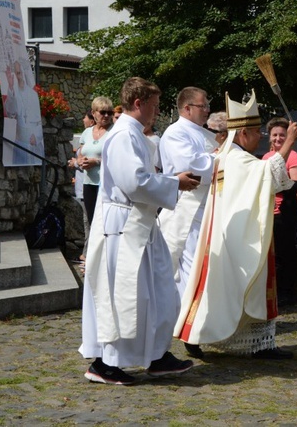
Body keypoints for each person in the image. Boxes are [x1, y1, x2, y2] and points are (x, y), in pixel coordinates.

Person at [79, 77, 199, 385]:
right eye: (155, 105)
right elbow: (134, 183)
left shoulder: (133, 134)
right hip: (123, 227)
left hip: (140, 224)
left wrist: (170, 179)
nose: (158, 111)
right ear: (138, 104)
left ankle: (155, 355)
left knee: (159, 291)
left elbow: (141, 177)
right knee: (126, 296)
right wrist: (175, 183)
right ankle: (105, 364)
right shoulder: (122, 136)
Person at [175, 92, 297, 359]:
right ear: (242, 133)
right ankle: (201, 336)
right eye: (255, 131)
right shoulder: (237, 158)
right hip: (236, 236)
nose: (260, 137)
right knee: (232, 287)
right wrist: (288, 143)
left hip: (230, 231)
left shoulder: (227, 154)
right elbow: (269, 175)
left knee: (220, 288)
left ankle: (255, 342)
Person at [158, 87, 216, 359]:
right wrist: (221, 158)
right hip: (187, 210)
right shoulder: (176, 133)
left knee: (204, 269)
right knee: (187, 270)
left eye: (207, 105)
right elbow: (191, 167)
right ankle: (186, 328)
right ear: (186, 108)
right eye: (202, 106)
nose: (207, 110)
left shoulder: (205, 133)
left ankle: (199, 325)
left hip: (209, 208)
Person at [263, 117, 297, 307]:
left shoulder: (293, 156)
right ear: (269, 137)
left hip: (284, 212)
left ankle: (286, 293)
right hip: (267, 212)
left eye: (282, 135)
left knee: (285, 253)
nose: (278, 138)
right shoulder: (265, 157)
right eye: (275, 135)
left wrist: (276, 186)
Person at [78, 97, 115, 242]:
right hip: (89, 183)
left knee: (104, 224)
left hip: (105, 184)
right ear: (94, 113)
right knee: (92, 221)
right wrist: (81, 161)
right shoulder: (87, 132)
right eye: (103, 112)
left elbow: (117, 158)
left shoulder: (114, 132)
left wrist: (97, 162)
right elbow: (81, 154)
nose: (106, 116)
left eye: (109, 112)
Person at [68, 110, 96, 265]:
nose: (83, 119)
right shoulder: (86, 135)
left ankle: (87, 255)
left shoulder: (92, 134)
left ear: (92, 120)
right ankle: (86, 254)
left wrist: (75, 164)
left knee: (89, 222)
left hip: (89, 186)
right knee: (86, 221)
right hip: (82, 186)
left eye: (85, 117)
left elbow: (86, 162)